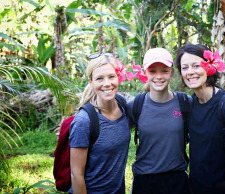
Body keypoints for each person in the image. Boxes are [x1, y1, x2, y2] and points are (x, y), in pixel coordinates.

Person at [176, 44, 225, 194]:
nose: (190, 72)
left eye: (196, 65)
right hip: (195, 188)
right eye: (185, 68)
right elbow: (174, 119)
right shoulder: (190, 104)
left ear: (209, 67)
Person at [127, 48, 191, 194]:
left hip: (177, 180)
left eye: (164, 71)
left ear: (172, 72)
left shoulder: (185, 103)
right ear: (144, 73)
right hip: (145, 181)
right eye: (153, 71)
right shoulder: (135, 106)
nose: (159, 76)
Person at [69, 53, 131, 194]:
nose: (107, 83)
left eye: (111, 76)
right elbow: (76, 174)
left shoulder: (122, 105)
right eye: (99, 78)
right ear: (91, 82)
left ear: (118, 77)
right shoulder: (84, 121)